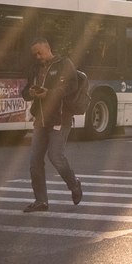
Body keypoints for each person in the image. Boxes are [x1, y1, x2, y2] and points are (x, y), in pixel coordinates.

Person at [22, 38, 83, 212]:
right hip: (40, 120)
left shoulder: (64, 63)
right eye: (35, 54)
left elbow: (72, 86)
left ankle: (74, 184)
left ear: (48, 48)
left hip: (60, 118)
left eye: (40, 52)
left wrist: (49, 93)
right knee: (35, 162)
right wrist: (30, 93)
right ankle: (41, 201)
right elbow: (26, 90)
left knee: (55, 156)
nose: (38, 56)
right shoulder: (34, 68)